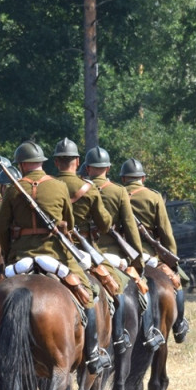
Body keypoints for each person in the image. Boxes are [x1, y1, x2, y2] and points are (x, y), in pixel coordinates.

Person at [0, 140, 111, 375]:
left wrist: (10, 255)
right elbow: (68, 222)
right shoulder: (58, 187)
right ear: (43, 163)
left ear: (20, 164)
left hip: (21, 257)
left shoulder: (13, 189)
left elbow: (2, 228)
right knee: (88, 292)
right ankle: (92, 353)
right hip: (56, 257)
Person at [53, 138, 133, 353]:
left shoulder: (48, 186)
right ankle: (115, 338)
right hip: (81, 249)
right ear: (77, 161)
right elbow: (105, 224)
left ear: (55, 162)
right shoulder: (86, 188)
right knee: (116, 285)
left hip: (49, 250)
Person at [83, 146, 165, 351]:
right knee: (142, 286)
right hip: (112, 254)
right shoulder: (118, 191)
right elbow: (131, 228)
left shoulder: (76, 188)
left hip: (81, 253)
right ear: (108, 168)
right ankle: (146, 332)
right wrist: (137, 260)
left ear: (86, 167)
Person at [120, 158, 189, 341]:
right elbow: (166, 231)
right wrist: (171, 257)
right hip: (148, 255)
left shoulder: (115, 193)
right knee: (175, 282)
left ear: (123, 179)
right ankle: (179, 325)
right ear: (142, 178)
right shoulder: (153, 196)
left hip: (122, 254)